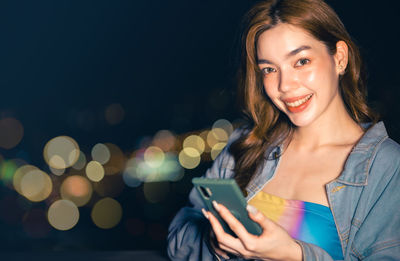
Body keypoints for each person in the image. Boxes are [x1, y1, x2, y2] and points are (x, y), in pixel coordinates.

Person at [167, 0, 400, 260]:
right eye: (269, 69)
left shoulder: (388, 167)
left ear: (340, 58)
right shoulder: (245, 145)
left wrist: (296, 255)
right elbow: (179, 239)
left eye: (301, 61)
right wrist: (216, 243)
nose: (285, 85)